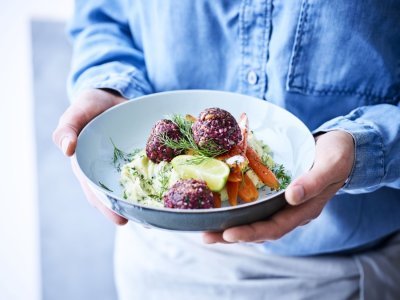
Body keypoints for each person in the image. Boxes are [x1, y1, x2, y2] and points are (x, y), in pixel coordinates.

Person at [53, 1, 400, 299]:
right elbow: (104, 17)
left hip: (341, 277)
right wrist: (109, 87)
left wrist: (368, 145)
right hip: (159, 260)